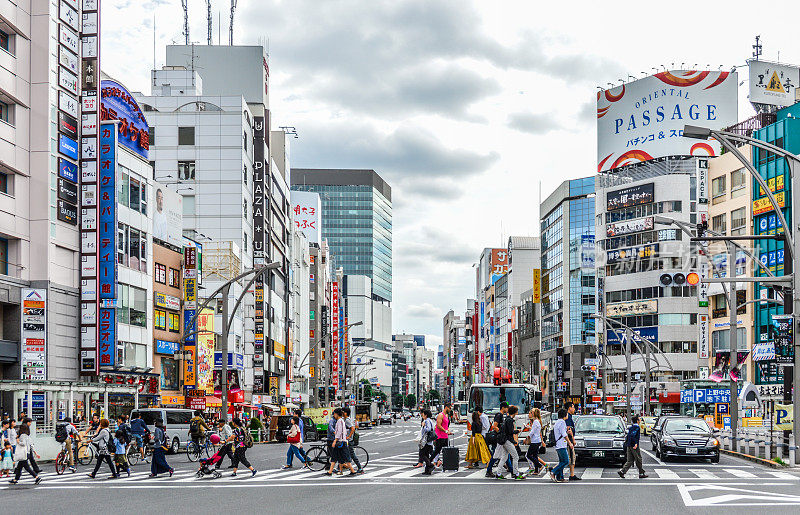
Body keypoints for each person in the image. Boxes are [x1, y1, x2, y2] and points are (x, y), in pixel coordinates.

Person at [492, 405, 525, 481]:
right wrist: (518, 431)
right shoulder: (510, 420)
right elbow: (510, 432)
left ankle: (498, 473)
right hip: (507, 440)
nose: (517, 413)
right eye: (517, 411)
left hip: (503, 440)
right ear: (515, 412)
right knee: (515, 456)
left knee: (504, 457)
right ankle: (516, 474)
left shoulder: (506, 419)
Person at [485, 402, 509, 478]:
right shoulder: (499, 415)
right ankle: (489, 470)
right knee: (496, 456)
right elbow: (494, 426)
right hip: (497, 438)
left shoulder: (501, 415)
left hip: (499, 437)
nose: (507, 409)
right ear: (503, 408)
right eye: (506, 408)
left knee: (503, 454)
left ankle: (511, 469)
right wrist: (501, 433)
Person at [330, 408, 356, 476]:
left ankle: (352, 471)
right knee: (339, 457)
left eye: (334, 414)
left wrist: (335, 441)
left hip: (341, 442)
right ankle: (339, 471)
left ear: (336, 414)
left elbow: (339, 432)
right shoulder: (341, 421)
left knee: (344, 457)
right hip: (342, 441)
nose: (334, 415)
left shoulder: (340, 421)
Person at [524, 408, 547, 476]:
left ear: (534, 413)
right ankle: (536, 470)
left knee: (529, 455)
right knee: (535, 456)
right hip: (537, 440)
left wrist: (527, 438)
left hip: (535, 441)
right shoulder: (537, 421)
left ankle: (540, 466)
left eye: (531, 412)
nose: (530, 413)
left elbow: (532, 432)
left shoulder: (536, 421)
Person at [551, 409, 571, 483]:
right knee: (566, 461)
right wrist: (570, 443)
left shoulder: (557, 422)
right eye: (567, 414)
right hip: (561, 444)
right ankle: (553, 472)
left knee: (561, 461)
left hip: (558, 444)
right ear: (564, 415)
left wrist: (566, 432)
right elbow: (564, 434)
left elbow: (561, 432)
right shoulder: (562, 422)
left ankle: (560, 477)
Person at [431, 403, 453, 468]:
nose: (450, 410)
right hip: (440, 437)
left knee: (446, 452)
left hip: (445, 436)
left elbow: (446, 426)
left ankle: (446, 465)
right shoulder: (441, 415)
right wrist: (446, 431)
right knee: (436, 451)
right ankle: (429, 462)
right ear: (446, 407)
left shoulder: (446, 416)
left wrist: (448, 431)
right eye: (450, 408)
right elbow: (438, 425)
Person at [342, 407, 363, 474]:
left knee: (352, 455)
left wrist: (349, 436)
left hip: (349, 441)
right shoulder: (345, 419)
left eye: (343, 412)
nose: (342, 413)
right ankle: (344, 466)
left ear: (345, 413)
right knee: (346, 454)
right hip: (347, 440)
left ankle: (360, 468)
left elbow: (353, 428)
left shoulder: (347, 420)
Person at [564, 401, 581, 481]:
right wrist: (572, 440)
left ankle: (572, 474)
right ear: (569, 408)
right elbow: (569, 429)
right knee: (569, 458)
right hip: (569, 440)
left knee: (571, 458)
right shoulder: (568, 417)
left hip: (568, 440)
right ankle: (554, 470)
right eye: (573, 407)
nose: (574, 409)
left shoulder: (569, 416)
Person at [419, 409, 436, 475]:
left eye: (423, 414)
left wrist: (423, 426)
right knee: (426, 455)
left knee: (422, 454)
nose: (422, 415)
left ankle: (430, 465)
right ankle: (427, 470)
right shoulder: (431, 421)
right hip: (429, 441)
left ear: (426, 415)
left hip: (426, 441)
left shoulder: (426, 421)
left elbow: (428, 429)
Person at [325, 411, 339, 476]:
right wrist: (335, 433)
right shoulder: (332, 420)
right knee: (333, 453)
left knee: (330, 453)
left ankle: (328, 465)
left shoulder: (337, 420)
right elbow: (331, 428)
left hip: (332, 438)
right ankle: (332, 467)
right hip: (331, 439)